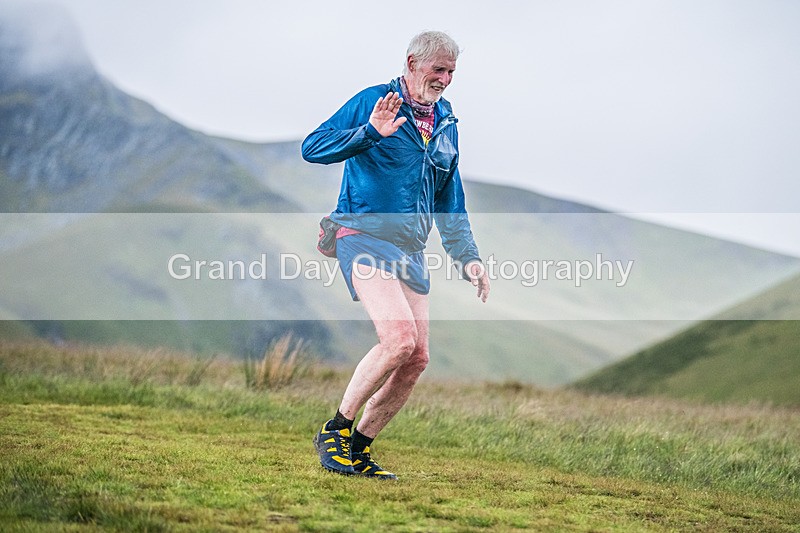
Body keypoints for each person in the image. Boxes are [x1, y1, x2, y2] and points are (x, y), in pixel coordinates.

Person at [301, 30, 490, 479]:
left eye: (450, 72)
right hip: (361, 234)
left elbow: (449, 197)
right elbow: (313, 147)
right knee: (398, 340)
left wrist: (468, 256)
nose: (444, 79)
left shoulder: (446, 124)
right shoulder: (375, 101)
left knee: (417, 358)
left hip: (410, 247)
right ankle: (335, 432)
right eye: (437, 69)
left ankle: (360, 447)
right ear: (411, 63)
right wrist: (369, 133)